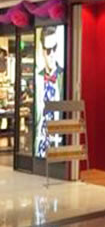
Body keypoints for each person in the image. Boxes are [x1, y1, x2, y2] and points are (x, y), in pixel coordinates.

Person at [35, 26, 64, 158]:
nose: (52, 54)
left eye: (55, 48)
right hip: (39, 146)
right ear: (42, 51)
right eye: (48, 50)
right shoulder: (37, 78)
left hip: (57, 143)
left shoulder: (64, 77)